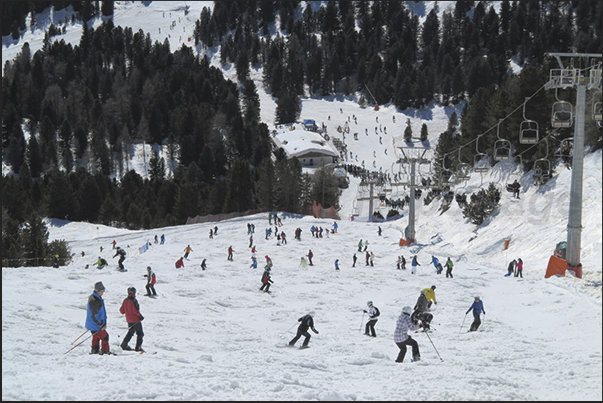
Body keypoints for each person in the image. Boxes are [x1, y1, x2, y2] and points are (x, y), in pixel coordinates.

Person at [86, 281, 111, 355]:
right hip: (96, 324)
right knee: (105, 336)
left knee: (96, 336)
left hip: (93, 324)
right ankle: (105, 351)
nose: (103, 292)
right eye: (102, 291)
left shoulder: (95, 297)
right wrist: (101, 324)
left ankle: (95, 350)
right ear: (98, 291)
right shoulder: (95, 301)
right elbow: (94, 315)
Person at [119, 287, 144, 352]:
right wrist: (140, 316)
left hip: (129, 320)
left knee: (130, 332)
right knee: (140, 333)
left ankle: (124, 344)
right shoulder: (134, 300)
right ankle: (138, 347)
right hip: (136, 320)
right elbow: (135, 310)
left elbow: (122, 311)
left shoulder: (125, 300)